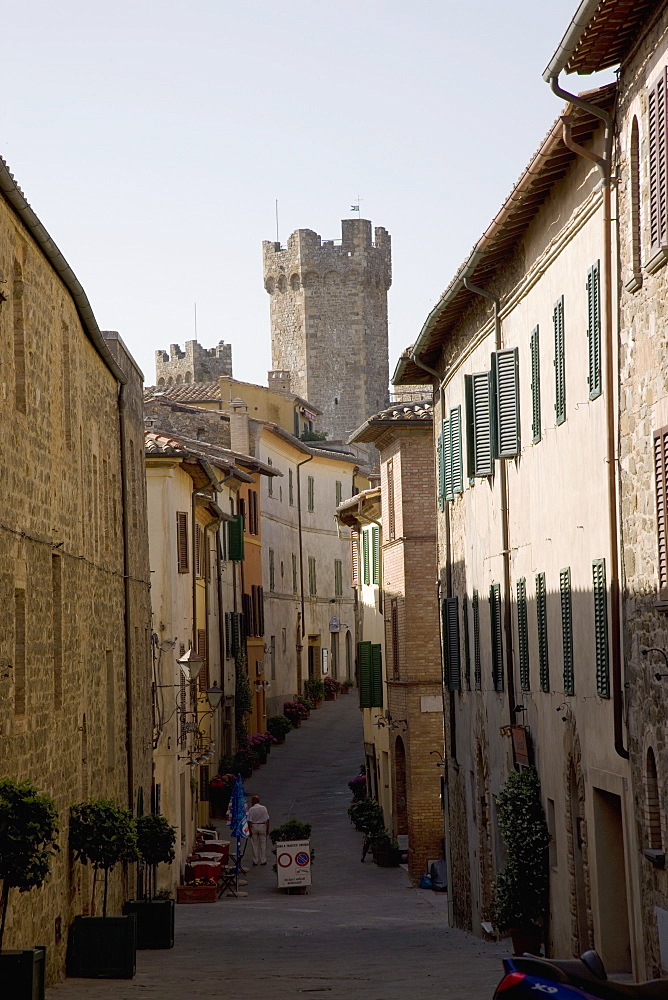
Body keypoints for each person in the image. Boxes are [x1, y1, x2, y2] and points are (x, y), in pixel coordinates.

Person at [247, 795, 270, 866]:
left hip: (254, 826)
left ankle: (255, 861)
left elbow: (249, 821)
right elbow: (267, 819)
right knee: (263, 844)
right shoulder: (264, 808)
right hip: (262, 826)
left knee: (254, 844)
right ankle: (263, 860)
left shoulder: (251, 809)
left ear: (254, 801)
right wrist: (267, 829)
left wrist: (249, 831)